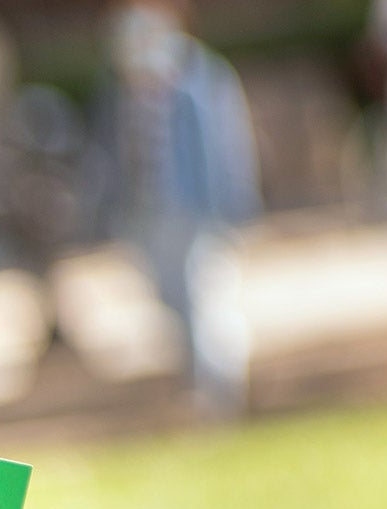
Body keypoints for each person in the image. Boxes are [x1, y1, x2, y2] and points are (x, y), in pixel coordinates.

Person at [98, 0, 261, 418]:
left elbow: (226, 149)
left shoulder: (201, 79)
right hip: (149, 215)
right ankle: (200, 384)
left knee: (206, 299)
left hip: (195, 210)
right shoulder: (126, 88)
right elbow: (116, 159)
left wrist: (230, 208)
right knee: (172, 301)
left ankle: (219, 391)